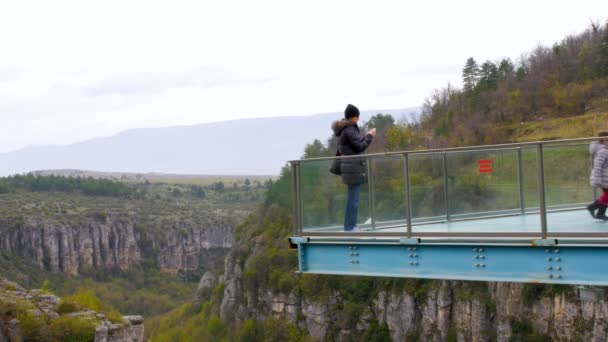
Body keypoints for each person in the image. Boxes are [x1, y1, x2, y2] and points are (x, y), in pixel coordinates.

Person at [331, 104, 376, 231]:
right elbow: (360, 147)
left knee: (353, 198)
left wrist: (365, 136)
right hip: (353, 169)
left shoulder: (346, 129)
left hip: (350, 168)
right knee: (353, 199)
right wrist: (370, 136)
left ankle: (350, 226)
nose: (359, 119)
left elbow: (354, 145)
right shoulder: (350, 130)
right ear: (354, 117)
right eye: (358, 116)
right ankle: (350, 227)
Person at [588, 131, 608, 220]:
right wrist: (597, 179)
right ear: (602, 141)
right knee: (607, 195)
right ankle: (592, 206)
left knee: (606, 195)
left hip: (605, 177)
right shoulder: (603, 151)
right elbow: (598, 166)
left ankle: (600, 213)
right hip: (603, 178)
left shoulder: (605, 150)